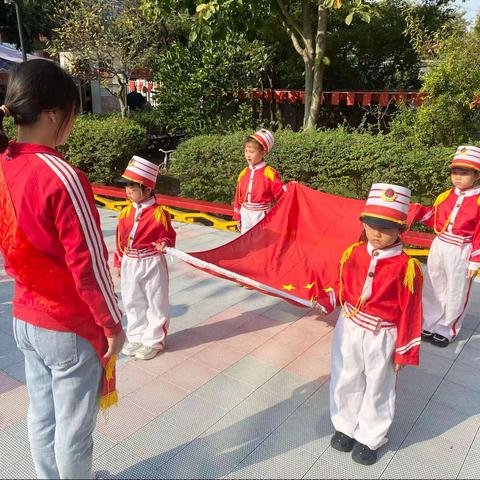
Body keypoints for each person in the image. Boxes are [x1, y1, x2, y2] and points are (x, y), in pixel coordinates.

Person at [0, 59, 125, 479]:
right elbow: (88, 264)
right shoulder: (63, 176)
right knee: (74, 428)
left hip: (24, 315)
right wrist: (113, 324)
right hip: (66, 324)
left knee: (42, 415)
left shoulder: (4, 163)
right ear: (55, 114)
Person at [313, 183, 423, 466]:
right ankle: (345, 426)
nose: (377, 232)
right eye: (372, 224)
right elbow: (342, 285)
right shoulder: (352, 253)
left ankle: (370, 437)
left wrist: (404, 351)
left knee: (378, 385)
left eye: (386, 227)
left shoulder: (407, 268)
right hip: (349, 327)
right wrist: (328, 300)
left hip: (382, 335)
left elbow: (411, 312)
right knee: (345, 375)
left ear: (401, 229)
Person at [416, 146, 480, 347]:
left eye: (464, 172)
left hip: (462, 250)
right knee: (433, 285)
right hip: (440, 245)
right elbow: (436, 220)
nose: (458, 177)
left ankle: (447, 328)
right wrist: (416, 212)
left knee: (456, 290)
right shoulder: (445, 196)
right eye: (455, 172)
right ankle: (429, 322)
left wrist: (475, 260)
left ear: (476, 175)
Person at [114, 156, 176, 360]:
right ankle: (136, 336)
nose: (128, 190)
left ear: (148, 189)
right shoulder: (124, 212)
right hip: (130, 261)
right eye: (126, 186)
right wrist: (118, 262)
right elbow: (119, 239)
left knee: (156, 301)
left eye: (133, 186)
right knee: (132, 300)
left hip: (151, 261)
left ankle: (154, 340)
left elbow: (168, 235)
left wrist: (165, 243)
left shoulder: (160, 214)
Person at [233, 128, 286, 234]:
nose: (248, 155)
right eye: (246, 151)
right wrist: (238, 216)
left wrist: (291, 188)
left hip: (262, 214)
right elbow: (238, 196)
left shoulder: (269, 173)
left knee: (261, 242)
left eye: (252, 152)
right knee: (246, 241)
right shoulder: (243, 173)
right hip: (245, 213)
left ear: (263, 152)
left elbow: (281, 194)